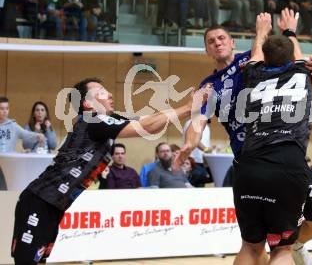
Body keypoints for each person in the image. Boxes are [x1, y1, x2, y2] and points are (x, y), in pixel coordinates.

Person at [179, 11, 312, 265]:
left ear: (233, 43)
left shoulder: (253, 59)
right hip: (249, 157)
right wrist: (190, 142)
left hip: (283, 154)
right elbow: (198, 118)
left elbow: (299, 68)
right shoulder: (210, 84)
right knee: (256, 246)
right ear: (206, 51)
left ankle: (293, 244)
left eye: (221, 38)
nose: (217, 42)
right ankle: (284, 248)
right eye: (211, 41)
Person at [11, 78, 202, 264]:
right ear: (87, 103)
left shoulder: (106, 121)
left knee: (40, 259)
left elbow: (150, 121)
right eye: (101, 92)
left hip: (54, 206)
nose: (110, 94)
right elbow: (147, 126)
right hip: (39, 200)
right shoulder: (93, 121)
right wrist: (187, 108)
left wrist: (187, 110)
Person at [232, 10, 312, 264]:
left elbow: (257, 53)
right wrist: (290, 29)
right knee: (281, 249)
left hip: (250, 167)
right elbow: (297, 54)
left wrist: (261, 31)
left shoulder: (253, 75)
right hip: (287, 166)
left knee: (250, 245)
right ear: (292, 58)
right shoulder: (302, 74)